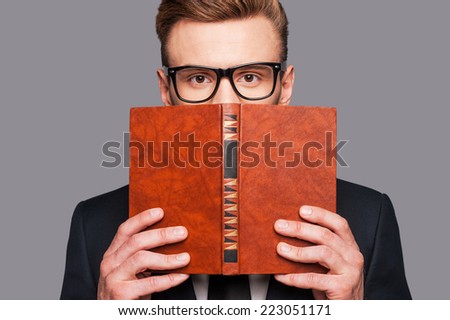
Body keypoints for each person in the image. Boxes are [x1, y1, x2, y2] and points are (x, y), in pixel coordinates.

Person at [60, 0, 411, 300]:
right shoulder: (95, 227)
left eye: (250, 77)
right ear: (166, 91)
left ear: (285, 87)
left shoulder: (368, 220)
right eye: (198, 78)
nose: (225, 103)